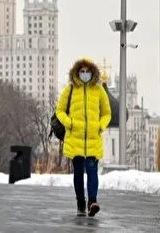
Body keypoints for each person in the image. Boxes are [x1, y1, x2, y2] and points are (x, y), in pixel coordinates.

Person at [55, 57, 112, 217]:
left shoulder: (99, 90)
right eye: (82, 71)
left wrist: (100, 125)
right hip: (75, 138)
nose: (85, 74)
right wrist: (70, 123)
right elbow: (59, 111)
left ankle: (92, 201)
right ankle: (80, 201)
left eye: (87, 71)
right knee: (78, 172)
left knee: (92, 171)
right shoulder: (70, 89)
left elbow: (107, 113)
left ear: (92, 72)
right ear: (77, 72)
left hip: (93, 138)